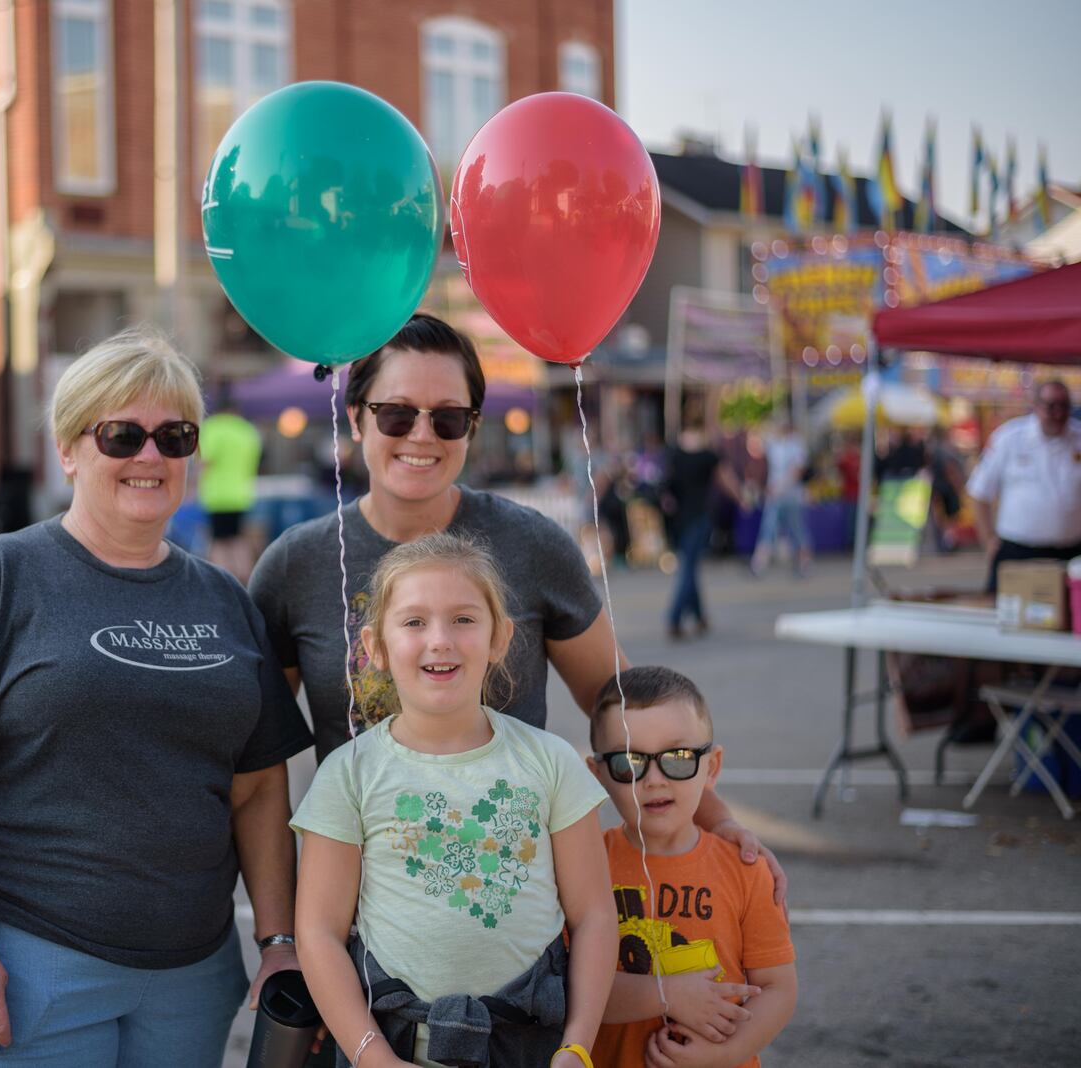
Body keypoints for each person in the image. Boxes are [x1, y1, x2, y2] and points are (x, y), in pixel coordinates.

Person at [0, 327, 313, 1067]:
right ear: (69, 450)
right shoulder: (1, 577)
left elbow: (258, 790)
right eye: (122, 435)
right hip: (28, 965)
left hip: (191, 977)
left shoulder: (223, 599)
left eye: (175, 436)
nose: (150, 456)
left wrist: (278, 942)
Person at [249, 314, 784, 888]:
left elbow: (620, 705)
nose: (421, 436)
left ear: (472, 428)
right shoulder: (294, 566)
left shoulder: (530, 545)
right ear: (356, 418)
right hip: (360, 914)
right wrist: (279, 937)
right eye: (396, 413)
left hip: (515, 904)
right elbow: (257, 770)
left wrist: (719, 823)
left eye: (448, 418)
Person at [293, 533, 617, 1068]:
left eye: (464, 619)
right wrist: (371, 1054)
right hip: (398, 1048)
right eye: (414, 622)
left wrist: (577, 1046)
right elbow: (320, 933)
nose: (439, 640)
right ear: (375, 647)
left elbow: (595, 918)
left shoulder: (551, 762)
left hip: (533, 1046)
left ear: (499, 638)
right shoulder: (348, 774)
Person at [588, 667, 797, 1068]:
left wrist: (725, 1053)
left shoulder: (744, 869)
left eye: (679, 758)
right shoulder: (585, 867)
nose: (653, 780)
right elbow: (572, 989)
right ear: (598, 775)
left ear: (712, 767)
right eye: (629, 762)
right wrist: (668, 994)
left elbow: (778, 988)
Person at [966, 380, 1081, 593]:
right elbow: (979, 492)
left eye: (1064, 406)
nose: (1058, 413)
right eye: (1050, 406)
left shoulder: (1078, 438)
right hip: (1018, 552)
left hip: (1071, 553)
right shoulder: (1010, 438)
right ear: (1036, 405)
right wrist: (989, 541)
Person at [662, 419, 744, 641]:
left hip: (680, 519)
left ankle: (699, 617)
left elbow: (667, 488)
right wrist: (741, 499)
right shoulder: (708, 455)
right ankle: (674, 618)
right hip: (699, 517)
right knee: (688, 569)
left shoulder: (675, 454)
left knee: (690, 566)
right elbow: (726, 479)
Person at [198, 388, 263, 583]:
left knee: (219, 541)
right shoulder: (248, 430)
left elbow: (205, 461)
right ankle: (247, 578)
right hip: (242, 494)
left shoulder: (213, 428)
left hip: (217, 494)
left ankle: (222, 581)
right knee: (237, 537)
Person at [749, 416, 812, 578]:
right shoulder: (774, 444)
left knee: (797, 529)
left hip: (790, 495)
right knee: (768, 528)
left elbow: (797, 470)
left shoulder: (796, 445)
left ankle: (804, 562)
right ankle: (758, 563)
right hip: (775, 495)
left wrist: (781, 486)